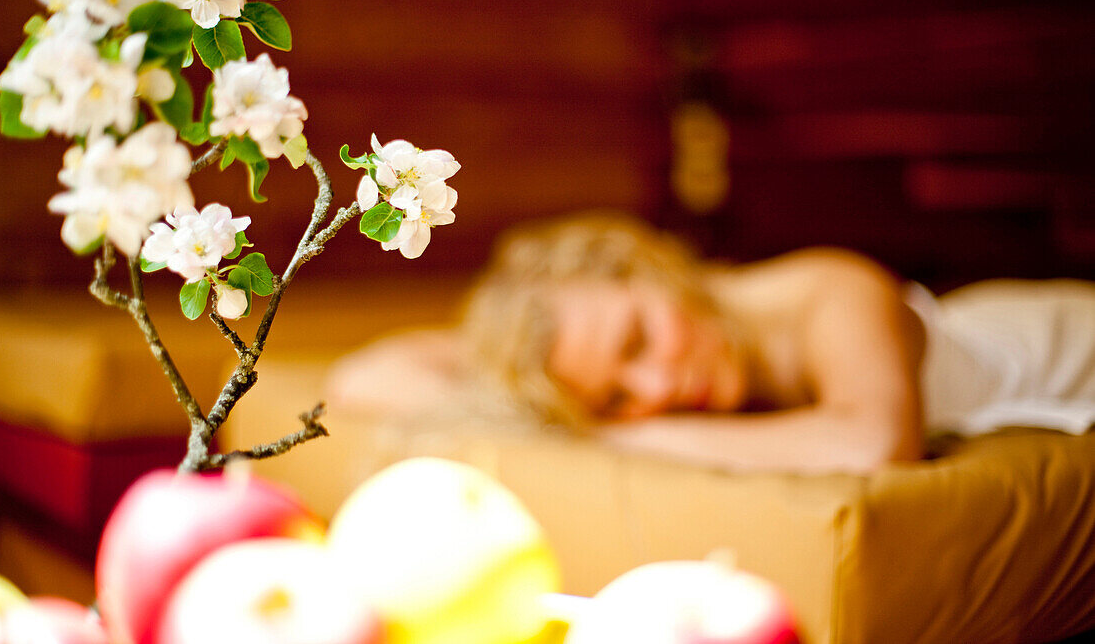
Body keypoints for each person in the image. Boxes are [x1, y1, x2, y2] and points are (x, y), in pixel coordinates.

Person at [327, 212, 1095, 474]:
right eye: (619, 397)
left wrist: (604, 433)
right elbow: (364, 378)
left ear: (654, 269)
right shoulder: (619, 346)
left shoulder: (828, 289)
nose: (654, 389)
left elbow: (868, 445)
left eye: (637, 340)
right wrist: (509, 361)